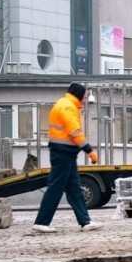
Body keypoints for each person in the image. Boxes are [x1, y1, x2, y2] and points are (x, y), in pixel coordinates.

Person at [33, 83, 100, 233]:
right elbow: (74, 132)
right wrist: (89, 151)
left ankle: (85, 221)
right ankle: (41, 222)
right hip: (63, 153)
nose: (83, 101)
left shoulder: (64, 104)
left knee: (74, 189)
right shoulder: (68, 107)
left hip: (65, 153)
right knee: (56, 187)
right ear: (78, 95)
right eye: (83, 98)